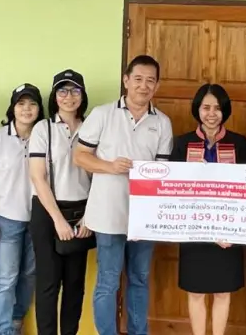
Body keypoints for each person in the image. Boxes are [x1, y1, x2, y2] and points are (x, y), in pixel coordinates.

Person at [73, 55, 173, 335]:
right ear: (126, 80)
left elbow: (163, 170)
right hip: (107, 214)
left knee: (140, 279)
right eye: (138, 79)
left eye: (150, 80)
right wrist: (109, 166)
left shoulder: (162, 122)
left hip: (144, 217)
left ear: (157, 85)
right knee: (108, 280)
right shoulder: (103, 114)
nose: (143, 86)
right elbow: (79, 157)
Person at [169, 83, 246, 335]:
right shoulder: (182, 143)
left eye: (217, 108)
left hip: (227, 232)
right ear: (197, 109)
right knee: (195, 292)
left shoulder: (239, 143)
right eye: (206, 107)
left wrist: (235, 231)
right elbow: (172, 188)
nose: (211, 113)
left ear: (225, 111)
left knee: (222, 291)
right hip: (193, 229)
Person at [29, 70, 94, 335]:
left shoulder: (93, 126)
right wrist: (57, 220)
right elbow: (37, 176)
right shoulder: (43, 128)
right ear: (55, 97)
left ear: (83, 95)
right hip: (47, 213)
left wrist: (90, 217)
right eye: (63, 91)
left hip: (83, 213)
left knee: (75, 284)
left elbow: (100, 176)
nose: (69, 97)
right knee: (47, 284)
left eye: (75, 91)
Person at [0, 84, 44, 335]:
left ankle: (17, 320)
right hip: (5, 218)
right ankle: (4, 330)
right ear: (13, 108)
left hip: (38, 218)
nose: (26, 109)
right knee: (6, 278)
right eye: (21, 104)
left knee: (29, 275)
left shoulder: (45, 135)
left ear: (40, 109)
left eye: (32, 104)